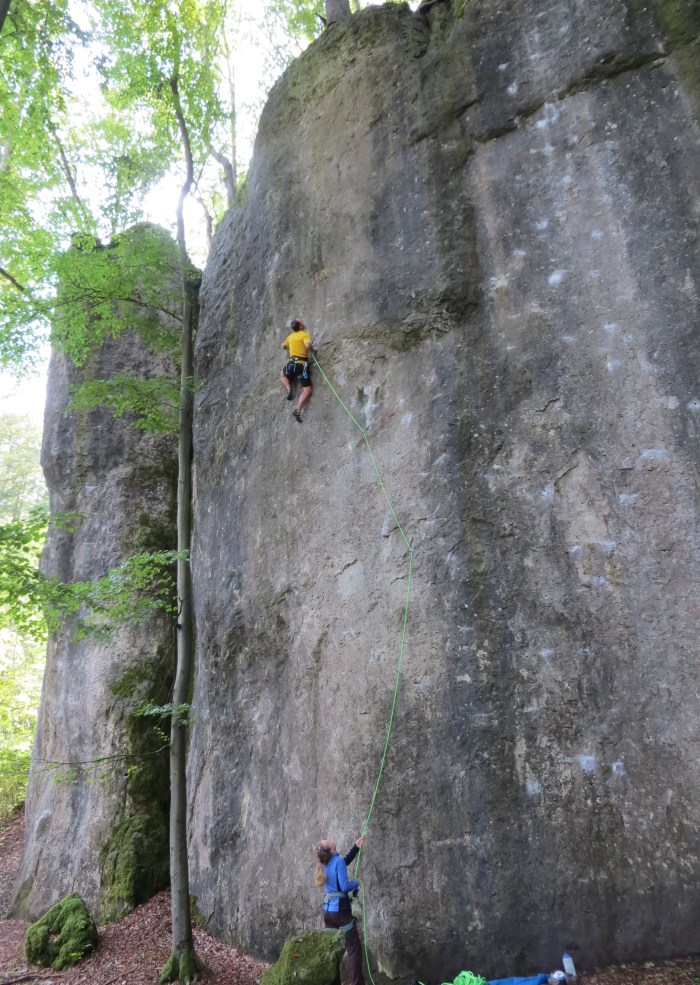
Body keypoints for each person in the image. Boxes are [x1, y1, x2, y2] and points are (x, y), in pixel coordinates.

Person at [315, 836, 365, 985]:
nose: (326, 839)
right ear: (331, 849)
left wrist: (356, 847)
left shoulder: (325, 862)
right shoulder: (337, 862)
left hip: (328, 913)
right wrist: (357, 882)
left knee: (333, 950)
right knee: (354, 947)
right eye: (326, 841)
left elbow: (343, 862)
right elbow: (344, 886)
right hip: (340, 913)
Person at [280, 318, 315, 422]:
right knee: (307, 390)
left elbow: (283, 346)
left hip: (291, 365)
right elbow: (308, 345)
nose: (303, 323)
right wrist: (313, 351)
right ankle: (297, 410)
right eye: (301, 322)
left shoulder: (290, 337)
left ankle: (289, 389)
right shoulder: (304, 334)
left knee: (282, 375)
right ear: (300, 326)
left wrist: (289, 347)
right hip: (301, 366)